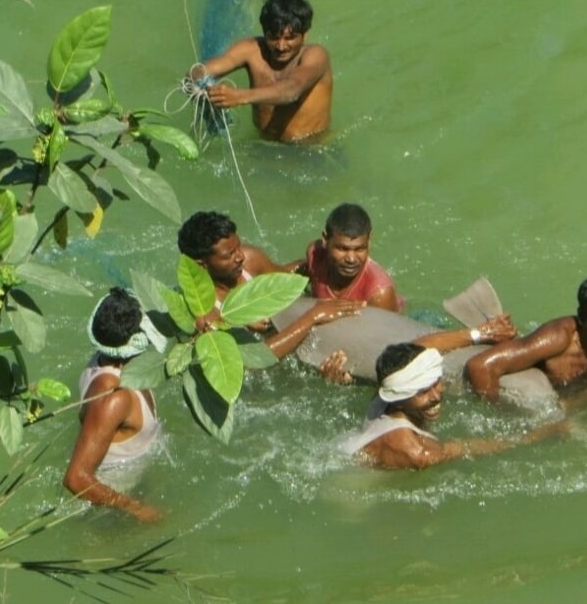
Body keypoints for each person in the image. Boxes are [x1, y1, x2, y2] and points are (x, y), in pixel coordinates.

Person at [337, 343, 565, 470]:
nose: (436, 396)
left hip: (344, 448)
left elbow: (424, 346)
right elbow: (465, 448)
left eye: (436, 383)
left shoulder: (385, 393)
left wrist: (475, 334)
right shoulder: (417, 452)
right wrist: (538, 435)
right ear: (398, 397)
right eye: (422, 392)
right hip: (355, 498)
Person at [177, 210, 362, 359]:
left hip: (292, 335)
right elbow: (255, 362)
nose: (239, 256)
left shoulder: (250, 260)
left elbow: (286, 279)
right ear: (201, 265)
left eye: (238, 247)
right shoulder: (203, 315)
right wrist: (313, 316)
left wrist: (323, 264)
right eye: (229, 255)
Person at [64, 288, 166, 522]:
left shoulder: (102, 359)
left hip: (128, 480)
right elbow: (76, 478)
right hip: (111, 506)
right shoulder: (115, 397)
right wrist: (137, 508)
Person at [464, 274, 587, 401]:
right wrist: (500, 414)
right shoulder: (558, 339)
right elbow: (479, 367)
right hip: (530, 386)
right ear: (582, 318)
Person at [186, 0, 332, 143]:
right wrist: (203, 87)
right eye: (274, 37)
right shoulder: (251, 49)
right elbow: (199, 71)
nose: (281, 46)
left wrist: (239, 96)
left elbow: (292, 90)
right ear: (265, 32)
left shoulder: (316, 55)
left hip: (311, 150)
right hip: (264, 146)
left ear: (305, 34)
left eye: (290, 38)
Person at [293, 203, 404, 313]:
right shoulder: (315, 255)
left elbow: (386, 330)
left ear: (369, 242)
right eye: (342, 249)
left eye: (359, 249)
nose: (351, 259)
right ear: (325, 241)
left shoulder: (379, 295)